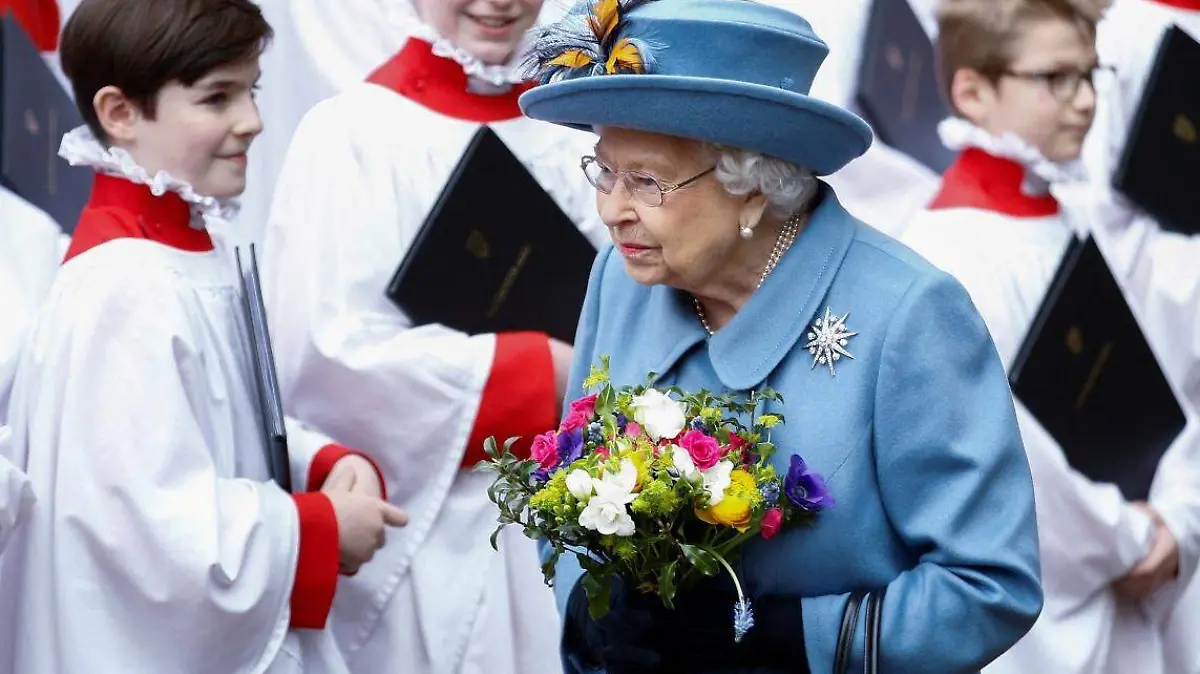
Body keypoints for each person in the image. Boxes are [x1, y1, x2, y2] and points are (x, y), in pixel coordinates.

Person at [519, 1, 1043, 672]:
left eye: (645, 181)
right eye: (604, 169)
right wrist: (598, 616)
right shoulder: (618, 280)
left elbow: (990, 587)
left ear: (753, 188)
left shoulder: (910, 314)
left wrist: (792, 638)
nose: (612, 209)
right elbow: (569, 498)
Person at [0, 1, 409, 672]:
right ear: (120, 113)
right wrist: (320, 531)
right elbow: (150, 530)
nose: (252, 120)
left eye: (251, 89)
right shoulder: (121, 289)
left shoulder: (191, 249)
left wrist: (320, 461)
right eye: (217, 97)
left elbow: (215, 423)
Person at [261, 1, 604, 672]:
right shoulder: (351, 135)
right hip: (429, 535)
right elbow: (323, 353)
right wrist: (535, 371)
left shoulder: (581, 135)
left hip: (573, 518)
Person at [900, 1, 1200, 672]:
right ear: (973, 90)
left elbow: (1157, 383)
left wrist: (1180, 516)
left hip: (1140, 563)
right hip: (1040, 621)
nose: (1087, 101)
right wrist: (1132, 539)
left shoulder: (1076, 214)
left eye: (1093, 74)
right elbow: (1013, 464)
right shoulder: (948, 257)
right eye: (1057, 78)